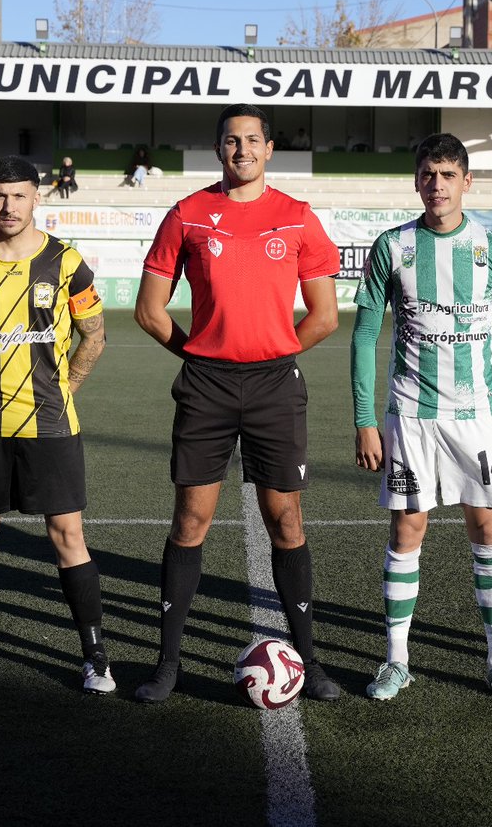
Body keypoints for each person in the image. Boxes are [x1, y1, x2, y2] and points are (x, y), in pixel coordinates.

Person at [132, 102, 342, 703]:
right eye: (231, 141)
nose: (242, 150)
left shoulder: (297, 218)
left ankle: (309, 659)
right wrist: (205, 355)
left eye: (252, 140)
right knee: (191, 520)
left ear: (269, 149)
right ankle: (167, 664)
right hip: (207, 386)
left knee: (287, 520)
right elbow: (151, 311)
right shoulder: (188, 214)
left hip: (276, 384)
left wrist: (271, 353)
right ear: (218, 149)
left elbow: (325, 317)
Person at [351, 133, 492, 703]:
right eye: (428, 174)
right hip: (409, 416)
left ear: (467, 182)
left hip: (478, 417)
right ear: (416, 180)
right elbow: (364, 336)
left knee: (488, 529)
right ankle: (396, 661)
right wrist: (366, 419)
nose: (437, 185)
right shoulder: (392, 247)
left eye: (448, 175)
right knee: (407, 530)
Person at [0, 155, 115, 695]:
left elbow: (94, 336)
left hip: (52, 426)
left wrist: (64, 392)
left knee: (67, 535)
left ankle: (95, 656)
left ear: (38, 198)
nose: (7, 206)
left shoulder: (66, 261)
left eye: (19, 195)